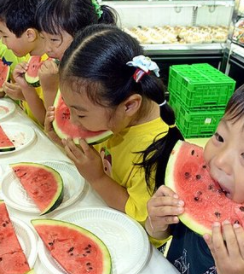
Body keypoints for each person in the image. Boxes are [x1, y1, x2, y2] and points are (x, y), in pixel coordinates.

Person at [45, 24, 184, 234]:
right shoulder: (115, 116)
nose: (73, 122)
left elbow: (141, 219)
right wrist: (60, 140)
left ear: (129, 106)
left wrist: (97, 178)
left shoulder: (156, 154)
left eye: (80, 114)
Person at [146, 75, 244, 274]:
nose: (219, 161)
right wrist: (156, 224)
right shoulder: (195, 194)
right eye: (219, 137)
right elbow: (162, 234)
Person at [34, 0, 119, 109]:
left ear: (83, 35)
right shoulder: (62, 66)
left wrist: (49, 88)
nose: (47, 48)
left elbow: (69, 122)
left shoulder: (95, 78)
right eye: (43, 38)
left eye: (54, 40)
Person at [0, 0, 46, 125]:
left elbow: (46, 120)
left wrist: (26, 91)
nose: (3, 43)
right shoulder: (29, 58)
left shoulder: (49, 67)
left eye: (5, 36)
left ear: (30, 35)